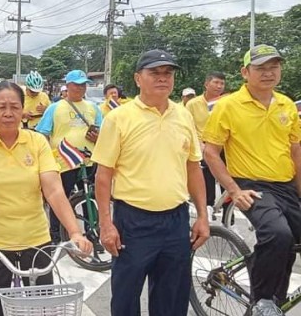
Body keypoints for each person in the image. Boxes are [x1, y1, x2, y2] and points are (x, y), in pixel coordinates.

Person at [0, 81, 93, 316]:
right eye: (1, 107)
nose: (8, 113)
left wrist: (75, 232)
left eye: (14, 107)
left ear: (22, 110)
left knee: (42, 309)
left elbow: (53, 190)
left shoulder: (37, 141)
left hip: (36, 240)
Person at [93, 49, 209, 316]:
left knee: (172, 298)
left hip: (176, 221)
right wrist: (106, 223)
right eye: (154, 73)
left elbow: (193, 168)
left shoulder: (183, 115)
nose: (162, 79)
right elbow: (103, 174)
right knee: (126, 296)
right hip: (133, 221)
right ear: (137, 78)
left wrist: (202, 216)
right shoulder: (119, 118)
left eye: (167, 73)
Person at [203, 44, 301, 316]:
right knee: (278, 234)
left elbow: (295, 151)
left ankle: (275, 298)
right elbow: (210, 152)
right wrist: (234, 190)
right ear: (245, 72)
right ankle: (263, 300)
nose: (268, 73)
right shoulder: (228, 105)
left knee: (289, 241)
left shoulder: (286, 105)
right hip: (251, 185)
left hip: (285, 185)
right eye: (260, 68)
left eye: (274, 67)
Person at [36, 69, 103, 244]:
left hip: (88, 160)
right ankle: (56, 236)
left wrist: (98, 137)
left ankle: (92, 232)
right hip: (63, 162)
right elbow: (42, 134)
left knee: (91, 197)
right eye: (77, 84)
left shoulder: (92, 107)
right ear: (68, 85)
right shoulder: (55, 108)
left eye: (83, 85)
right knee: (59, 198)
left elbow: (102, 131)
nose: (80, 88)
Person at [185, 71, 226, 207]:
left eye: (222, 83)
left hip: (224, 146)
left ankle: (229, 219)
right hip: (203, 146)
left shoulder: (227, 103)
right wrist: (199, 144)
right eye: (216, 82)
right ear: (206, 84)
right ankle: (206, 211)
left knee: (227, 182)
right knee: (207, 181)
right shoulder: (192, 104)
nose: (219, 86)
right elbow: (190, 127)